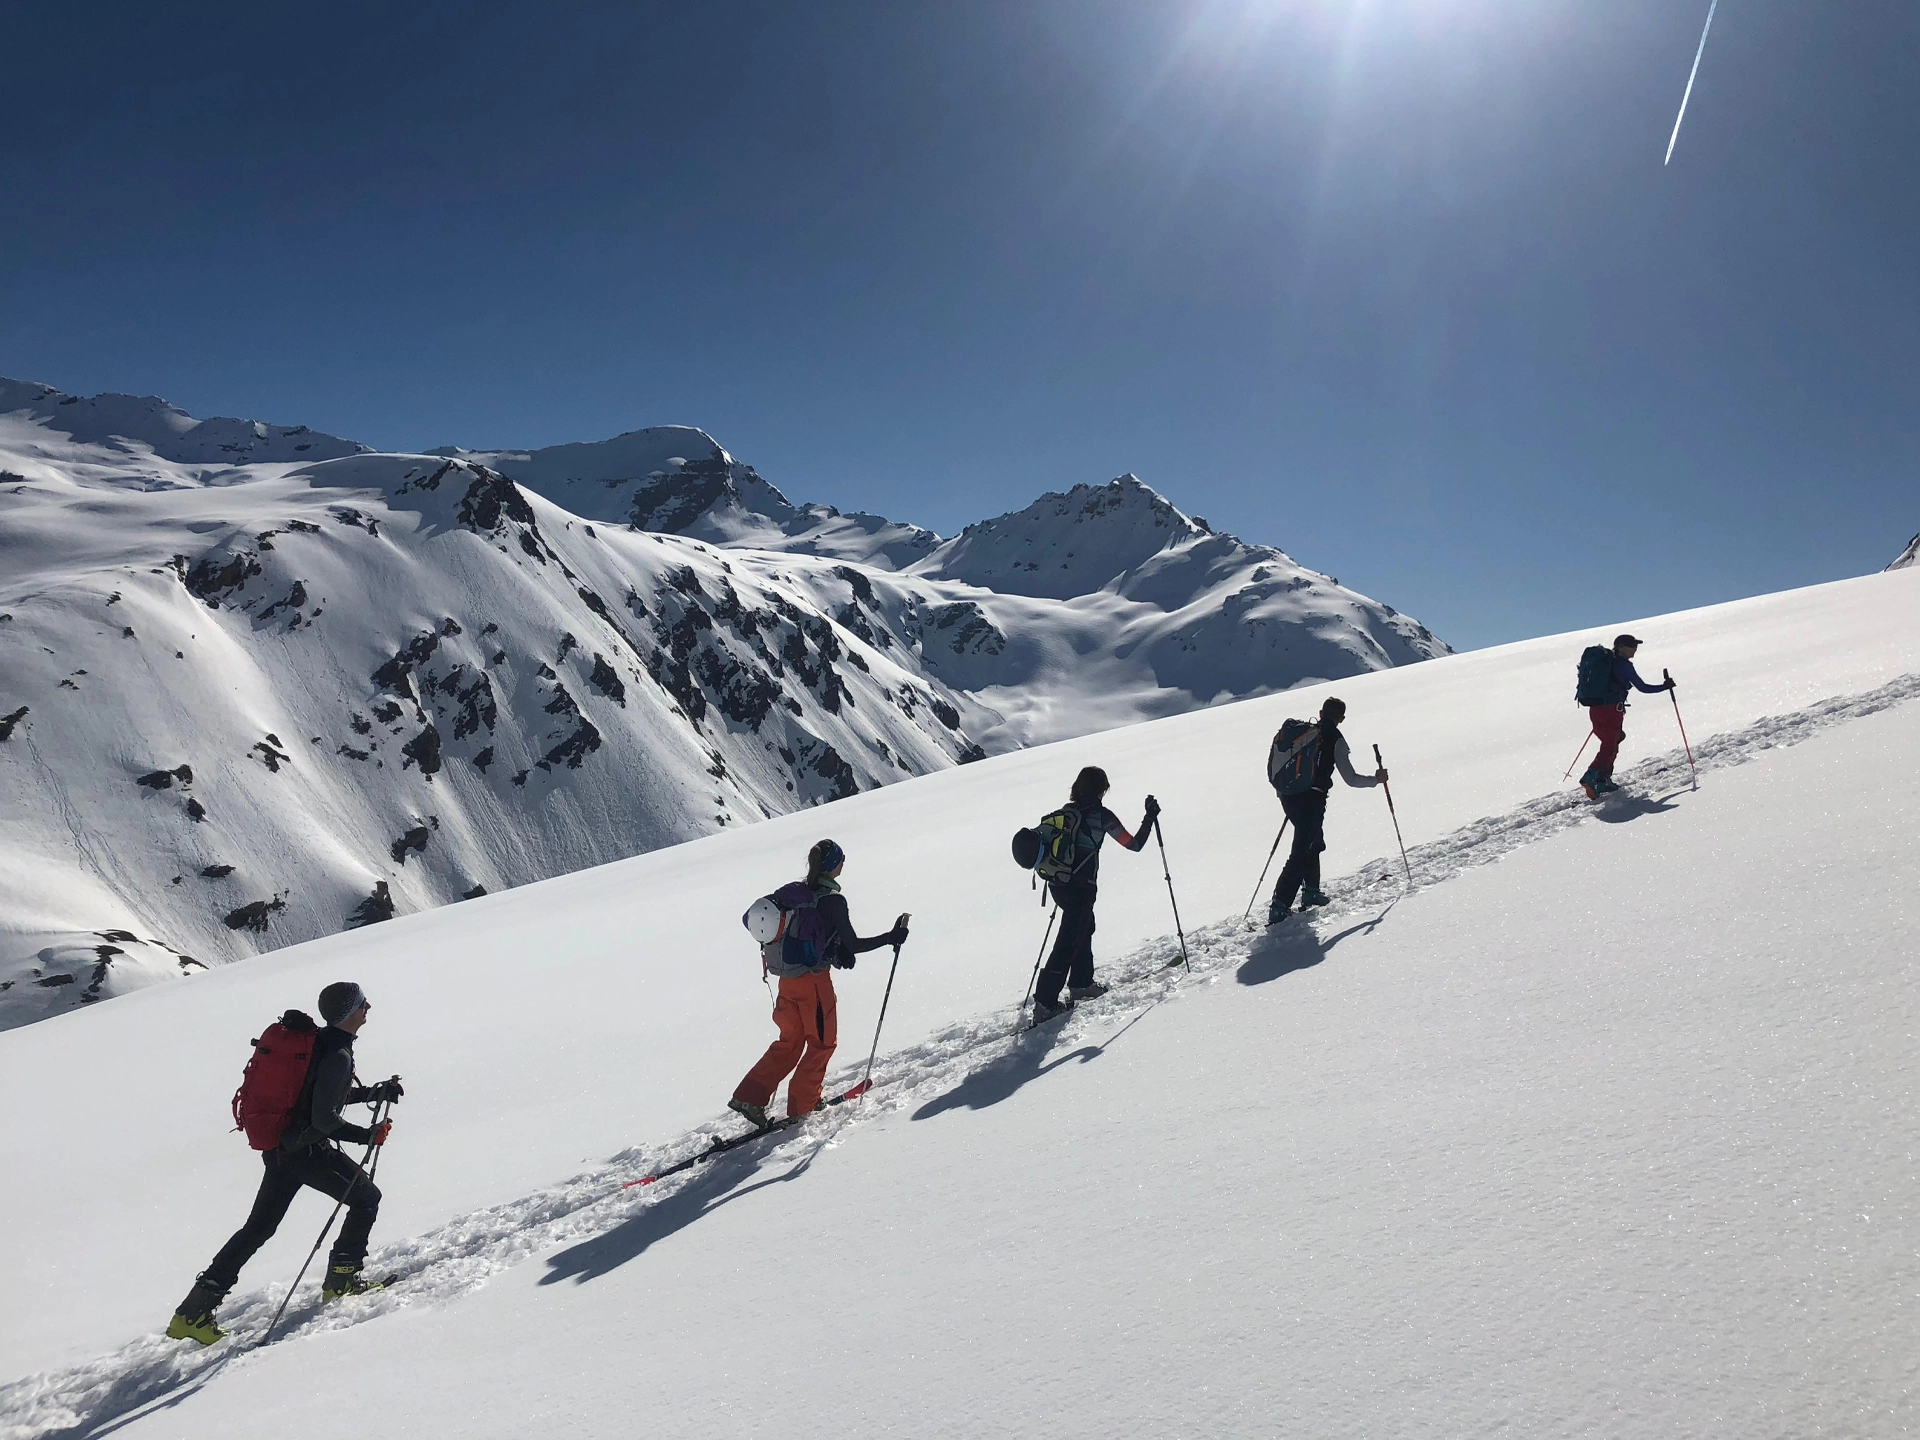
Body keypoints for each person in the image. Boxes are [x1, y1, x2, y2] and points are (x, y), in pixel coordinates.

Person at [166, 982, 402, 1345]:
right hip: (306, 1152)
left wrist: (372, 1093)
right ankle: (342, 1278)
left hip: (282, 1150)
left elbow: (318, 1099)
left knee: (258, 1229)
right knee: (366, 1198)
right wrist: (368, 1136)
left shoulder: (318, 1045)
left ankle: (191, 1313)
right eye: (361, 1003)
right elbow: (324, 1119)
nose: (368, 1006)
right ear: (348, 1013)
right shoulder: (336, 1054)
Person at [730, 840, 907, 1126]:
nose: (843, 864)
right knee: (822, 1044)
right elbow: (854, 943)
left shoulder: (797, 894)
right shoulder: (832, 900)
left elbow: (815, 938)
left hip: (787, 982)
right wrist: (891, 937)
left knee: (790, 1041)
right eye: (842, 859)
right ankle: (803, 1105)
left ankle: (749, 1096)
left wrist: (836, 951)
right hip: (814, 985)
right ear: (833, 865)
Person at [1031, 767, 1157, 1024]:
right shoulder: (1102, 816)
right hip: (1081, 887)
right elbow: (1134, 844)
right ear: (1101, 790)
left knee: (1083, 928)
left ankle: (1081, 982)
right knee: (1068, 941)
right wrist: (1149, 817)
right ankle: (1045, 1003)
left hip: (1059, 884)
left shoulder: (1067, 812)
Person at [1267, 697, 1386, 925]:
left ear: (1321, 713)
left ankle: (1311, 890)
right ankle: (1280, 905)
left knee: (1312, 840)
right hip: (1312, 800)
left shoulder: (1307, 733)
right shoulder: (1335, 739)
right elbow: (1350, 778)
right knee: (1301, 850)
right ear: (1341, 718)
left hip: (1289, 796)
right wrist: (1375, 780)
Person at [1579, 633, 1675, 799]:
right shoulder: (1623, 665)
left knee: (1613, 739)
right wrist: (1664, 686)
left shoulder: (1607, 663)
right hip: (1611, 709)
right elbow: (1643, 687)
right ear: (1622, 647)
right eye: (1632, 646)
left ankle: (1603, 779)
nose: (1635, 650)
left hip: (1595, 707)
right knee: (1611, 743)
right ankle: (1592, 775)